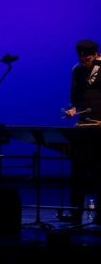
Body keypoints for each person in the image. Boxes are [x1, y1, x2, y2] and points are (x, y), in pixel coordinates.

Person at [63, 40, 101, 224]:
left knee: (99, 172)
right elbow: (75, 97)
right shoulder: (77, 71)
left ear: (95, 54)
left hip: (100, 129)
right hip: (84, 126)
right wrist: (72, 109)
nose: (84, 59)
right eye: (81, 56)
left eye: (87, 56)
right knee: (78, 172)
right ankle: (75, 212)